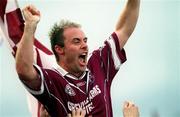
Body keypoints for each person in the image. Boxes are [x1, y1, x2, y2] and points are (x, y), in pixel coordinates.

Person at [15, 0, 140, 116]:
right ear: (59, 49)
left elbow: (124, 29)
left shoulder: (97, 63)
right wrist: (30, 25)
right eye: (76, 41)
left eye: (85, 40)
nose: (85, 45)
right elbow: (23, 70)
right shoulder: (52, 81)